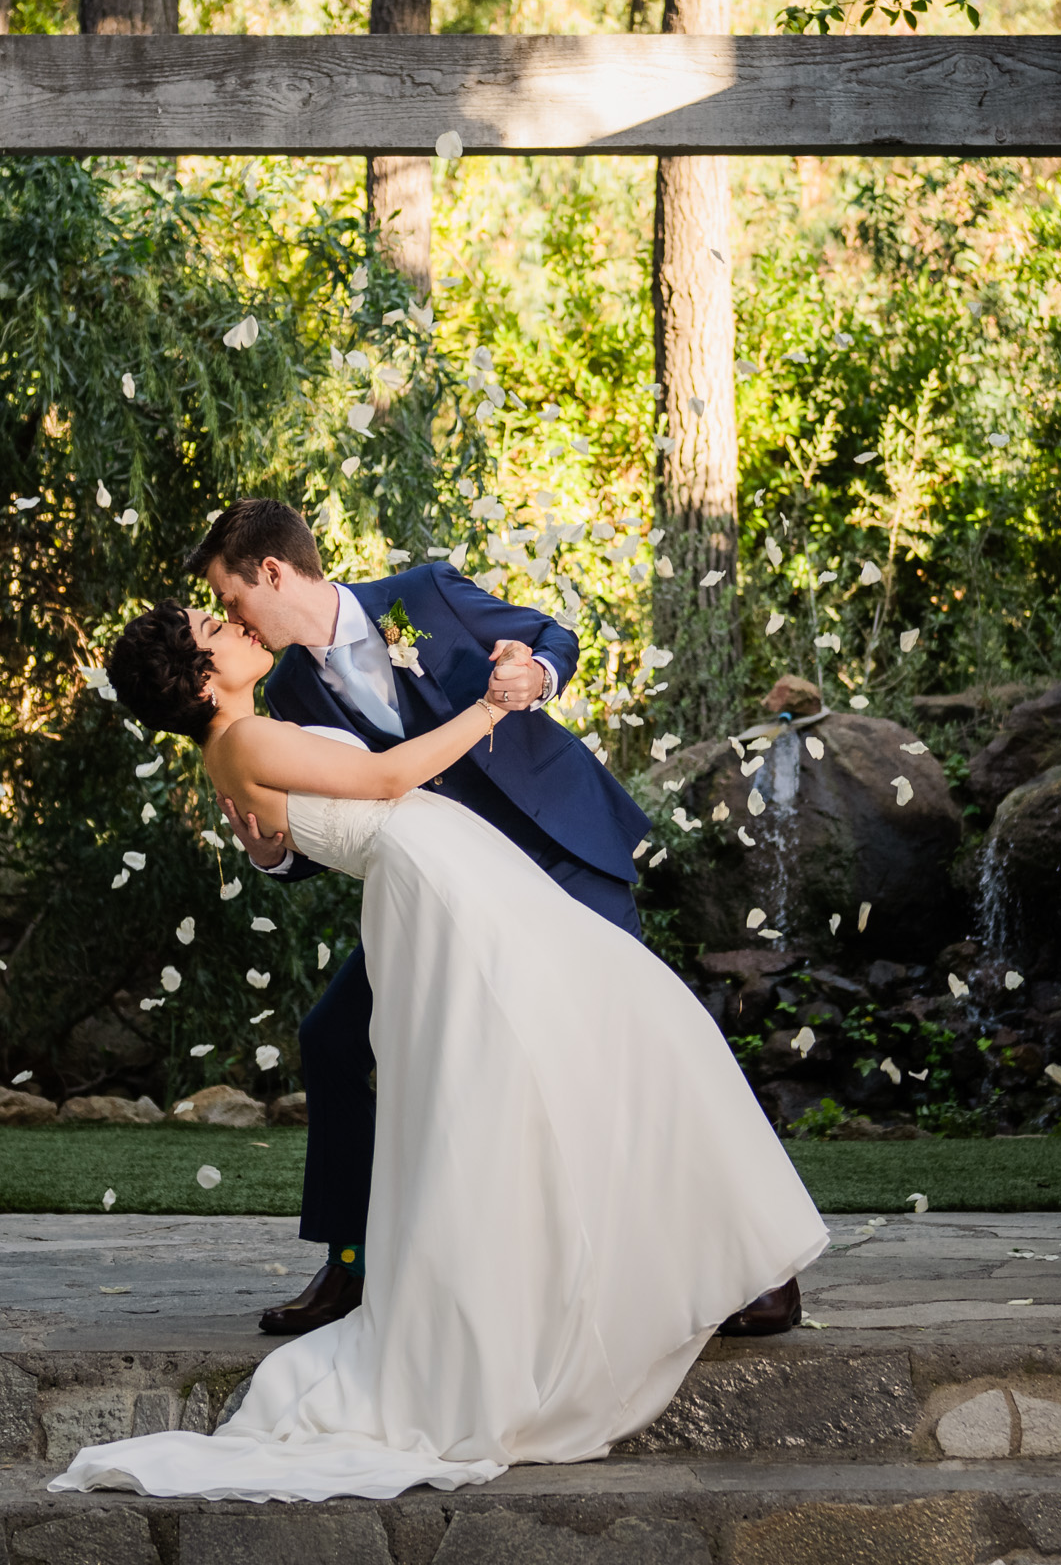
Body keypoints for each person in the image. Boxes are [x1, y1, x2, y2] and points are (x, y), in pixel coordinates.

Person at [53, 599, 825, 1502]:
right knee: (595, 1042)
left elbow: (312, 813)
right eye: (213, 631)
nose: (234, 628)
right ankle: (628, 1273)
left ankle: (702, 1258)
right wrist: (491, 709)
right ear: (199, 675)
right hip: (444, 894)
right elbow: (381, 782)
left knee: (618, 1031)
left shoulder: (245, 739)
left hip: (453, 877)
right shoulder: (244, 743)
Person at [184, 500, 802, 1341]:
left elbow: (553, 638)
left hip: (555, 853)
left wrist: (533, 677)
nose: (232, 622)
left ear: (275, 573)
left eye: (232, 602)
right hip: (441, 895)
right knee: (334, 1038)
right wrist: (267, 856)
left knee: (631, 1045)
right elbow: (317, 821)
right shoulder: (282, 690)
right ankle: (356, 1262)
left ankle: (756, 1270)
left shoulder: (424, 594)